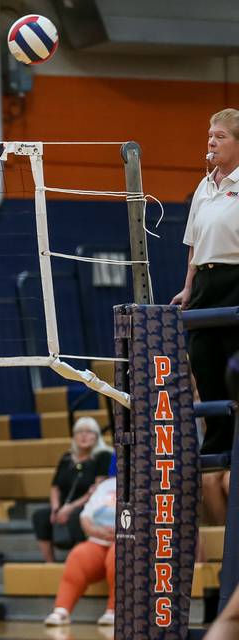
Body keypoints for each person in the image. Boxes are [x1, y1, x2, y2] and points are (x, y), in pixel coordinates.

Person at [172, 109, 239, 523]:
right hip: (207, 284)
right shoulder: (204, 186)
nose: (211, 142)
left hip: (237, 277)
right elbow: (194, 246)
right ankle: (216, 443)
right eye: (209, 135)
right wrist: (188, 287)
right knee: (204, 363)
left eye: (219, 136)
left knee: (233, 368)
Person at [44, 459, 117, 627]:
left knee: (118, 555)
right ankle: (62, 610)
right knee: (78, 555)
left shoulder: (148, 483)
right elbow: (85, 515)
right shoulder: (106, 485)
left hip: (129, 542)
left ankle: (114, 610)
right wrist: (93, 531)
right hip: (98, 539)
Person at [32, 417, 113, 563]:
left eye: (89, 432)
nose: (83, 435)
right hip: (64, 505)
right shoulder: (67, 457)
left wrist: (69, 508)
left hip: (89, 505)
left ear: (97, 436)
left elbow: (97, 489)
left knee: (77, 516)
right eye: (79, 432)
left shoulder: (104, 456)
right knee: (40, 516)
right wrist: (56, 509)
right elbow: (55, 486)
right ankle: (49, 563)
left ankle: (75, 562)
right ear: (74, 436)